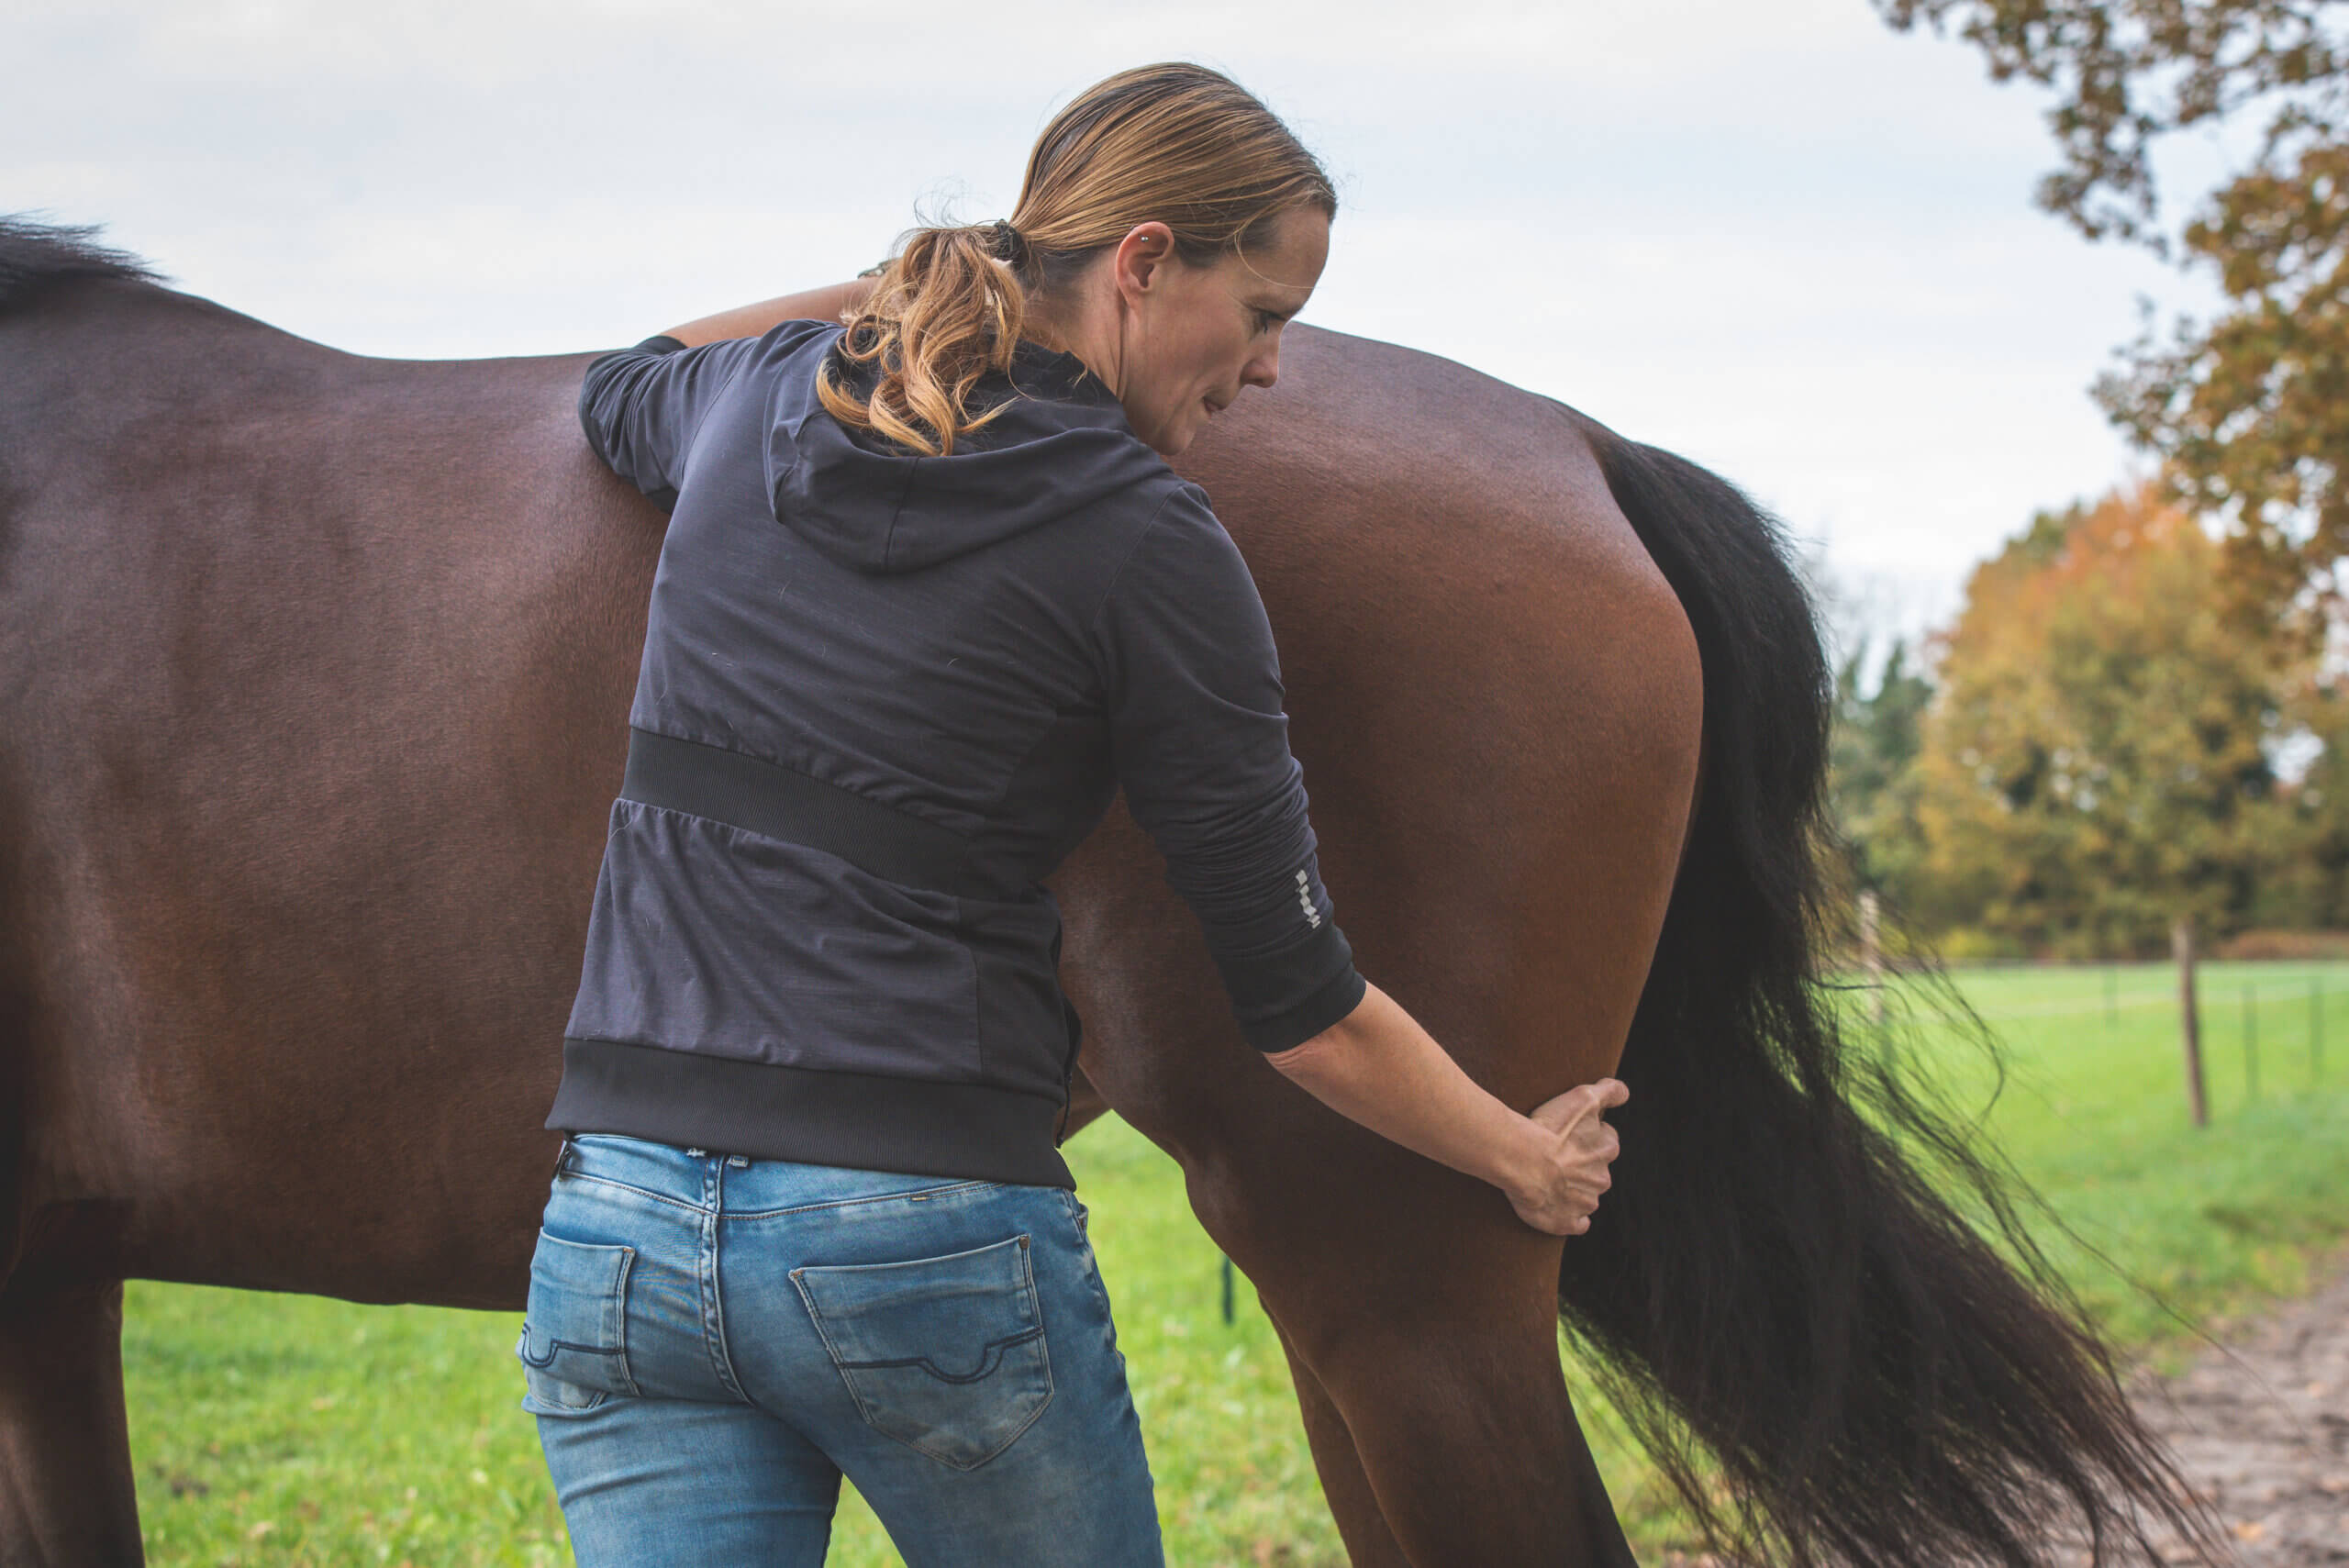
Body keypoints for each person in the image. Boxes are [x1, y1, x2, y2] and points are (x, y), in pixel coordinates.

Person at [518, 60, 1628, 1567]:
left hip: (620, 1237)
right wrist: (1518, 1157)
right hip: (911, 1239)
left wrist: (924, 279)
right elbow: (1299, 1006)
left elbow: (618, 379)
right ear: (1147, 260)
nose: (1276, 369)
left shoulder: (755, 395)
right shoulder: (1149, 541)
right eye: (1267, 311)